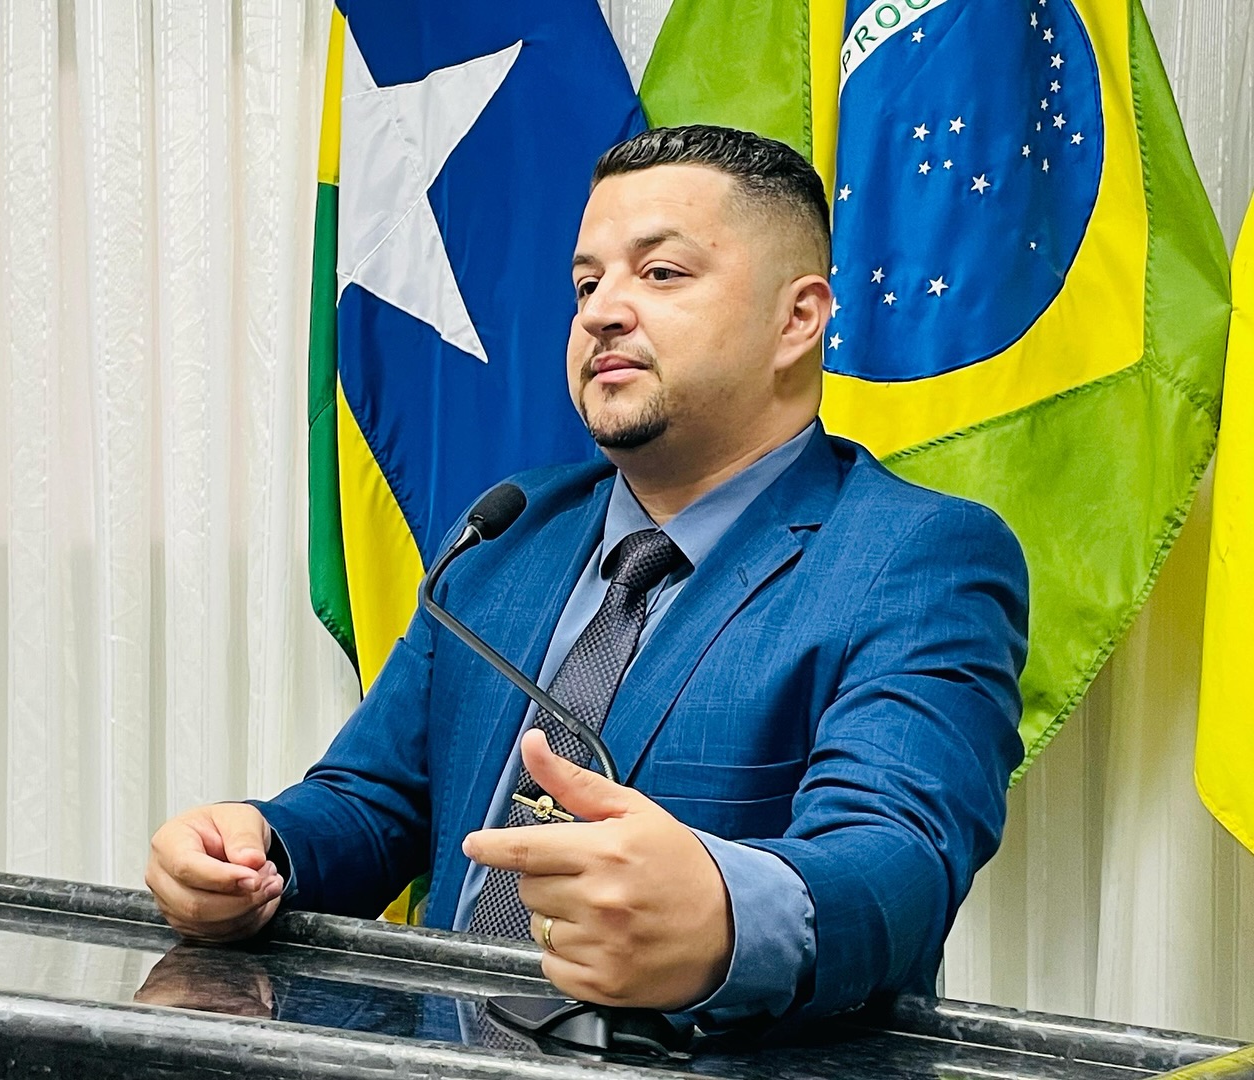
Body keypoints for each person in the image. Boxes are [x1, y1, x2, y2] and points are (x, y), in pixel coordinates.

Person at [145, 125, 1029, 1024]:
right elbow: (376, 801)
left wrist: (724, 913)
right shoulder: (508, 533)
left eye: (662, 274)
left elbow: (898, 862)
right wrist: (256, 852)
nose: (603, 310)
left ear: (796, 318)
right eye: (587, 283)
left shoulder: (917, 555)